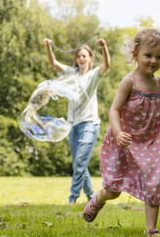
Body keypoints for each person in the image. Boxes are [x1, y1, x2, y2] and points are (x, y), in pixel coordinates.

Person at [82, 29, 160, 236]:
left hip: (150, 143)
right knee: (114, 189)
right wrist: (119, 132)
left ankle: (151, 229)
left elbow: (159, 111)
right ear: (135, 55)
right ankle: (99, 199)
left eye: (159, 56)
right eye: (148, 55)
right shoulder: (129, 81)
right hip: (125, 140)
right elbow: (114, 109)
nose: (153, 60)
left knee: (154, 182)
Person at [43, 37, 111, 204]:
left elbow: (107, 65)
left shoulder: (94, 75)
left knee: (80, 163)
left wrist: (104, 47)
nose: (81, 58)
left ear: (90, 58)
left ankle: (72, 200)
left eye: (84, 56)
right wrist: (48, 47)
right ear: (76, 59)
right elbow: (54, 63)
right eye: (79, 56)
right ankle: (92, 198)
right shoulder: (71, 74)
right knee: (79, 165)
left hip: (89, 124)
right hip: (73, 125)